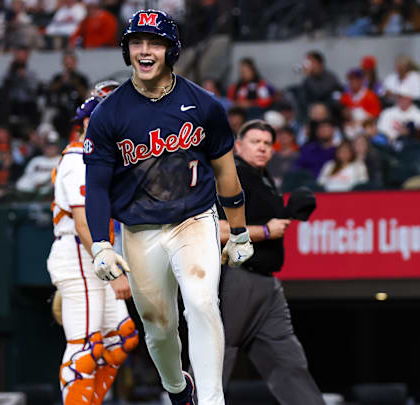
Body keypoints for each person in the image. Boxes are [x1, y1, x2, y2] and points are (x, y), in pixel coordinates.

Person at [83, 10, 253, 405]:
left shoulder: (204, 104)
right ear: (127, 51)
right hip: (139, 231)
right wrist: (100, 244)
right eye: (136, 43)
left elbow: (226, 173)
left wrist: (239, 230)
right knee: (158, 328)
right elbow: (96, 187)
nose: (144, 51)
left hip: (194, 219)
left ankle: (212, 400)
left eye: (154, 43)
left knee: (202, 301)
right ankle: (179, 389)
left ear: (170, 50)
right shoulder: (110, 113)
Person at [218, 120, 325, 404]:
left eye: (267, 143)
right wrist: (265, 231)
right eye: (255, 142)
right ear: (239, 146)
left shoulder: (263, 180)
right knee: (217, 357)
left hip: (267, 284)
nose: (262, 147)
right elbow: (215, 229)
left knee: (288, 360)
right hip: (237, 277)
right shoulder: (233, 176)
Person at [49, 93, 138, 405]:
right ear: (88, 122)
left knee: (121, 338)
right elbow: (83, 224)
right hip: (79, 254)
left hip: (92, 256)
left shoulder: (98, 160)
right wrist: (113, 274)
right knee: (85, 349)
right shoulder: (76, 162)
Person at [15, 130, 61, 194]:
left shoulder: (63, 161)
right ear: (43, 146)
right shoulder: (35, 160)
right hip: (32, 194)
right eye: (48, 145)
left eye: (53, 145)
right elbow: (25, 178)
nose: (50, 148)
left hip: (52, 196)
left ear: (58, 147)